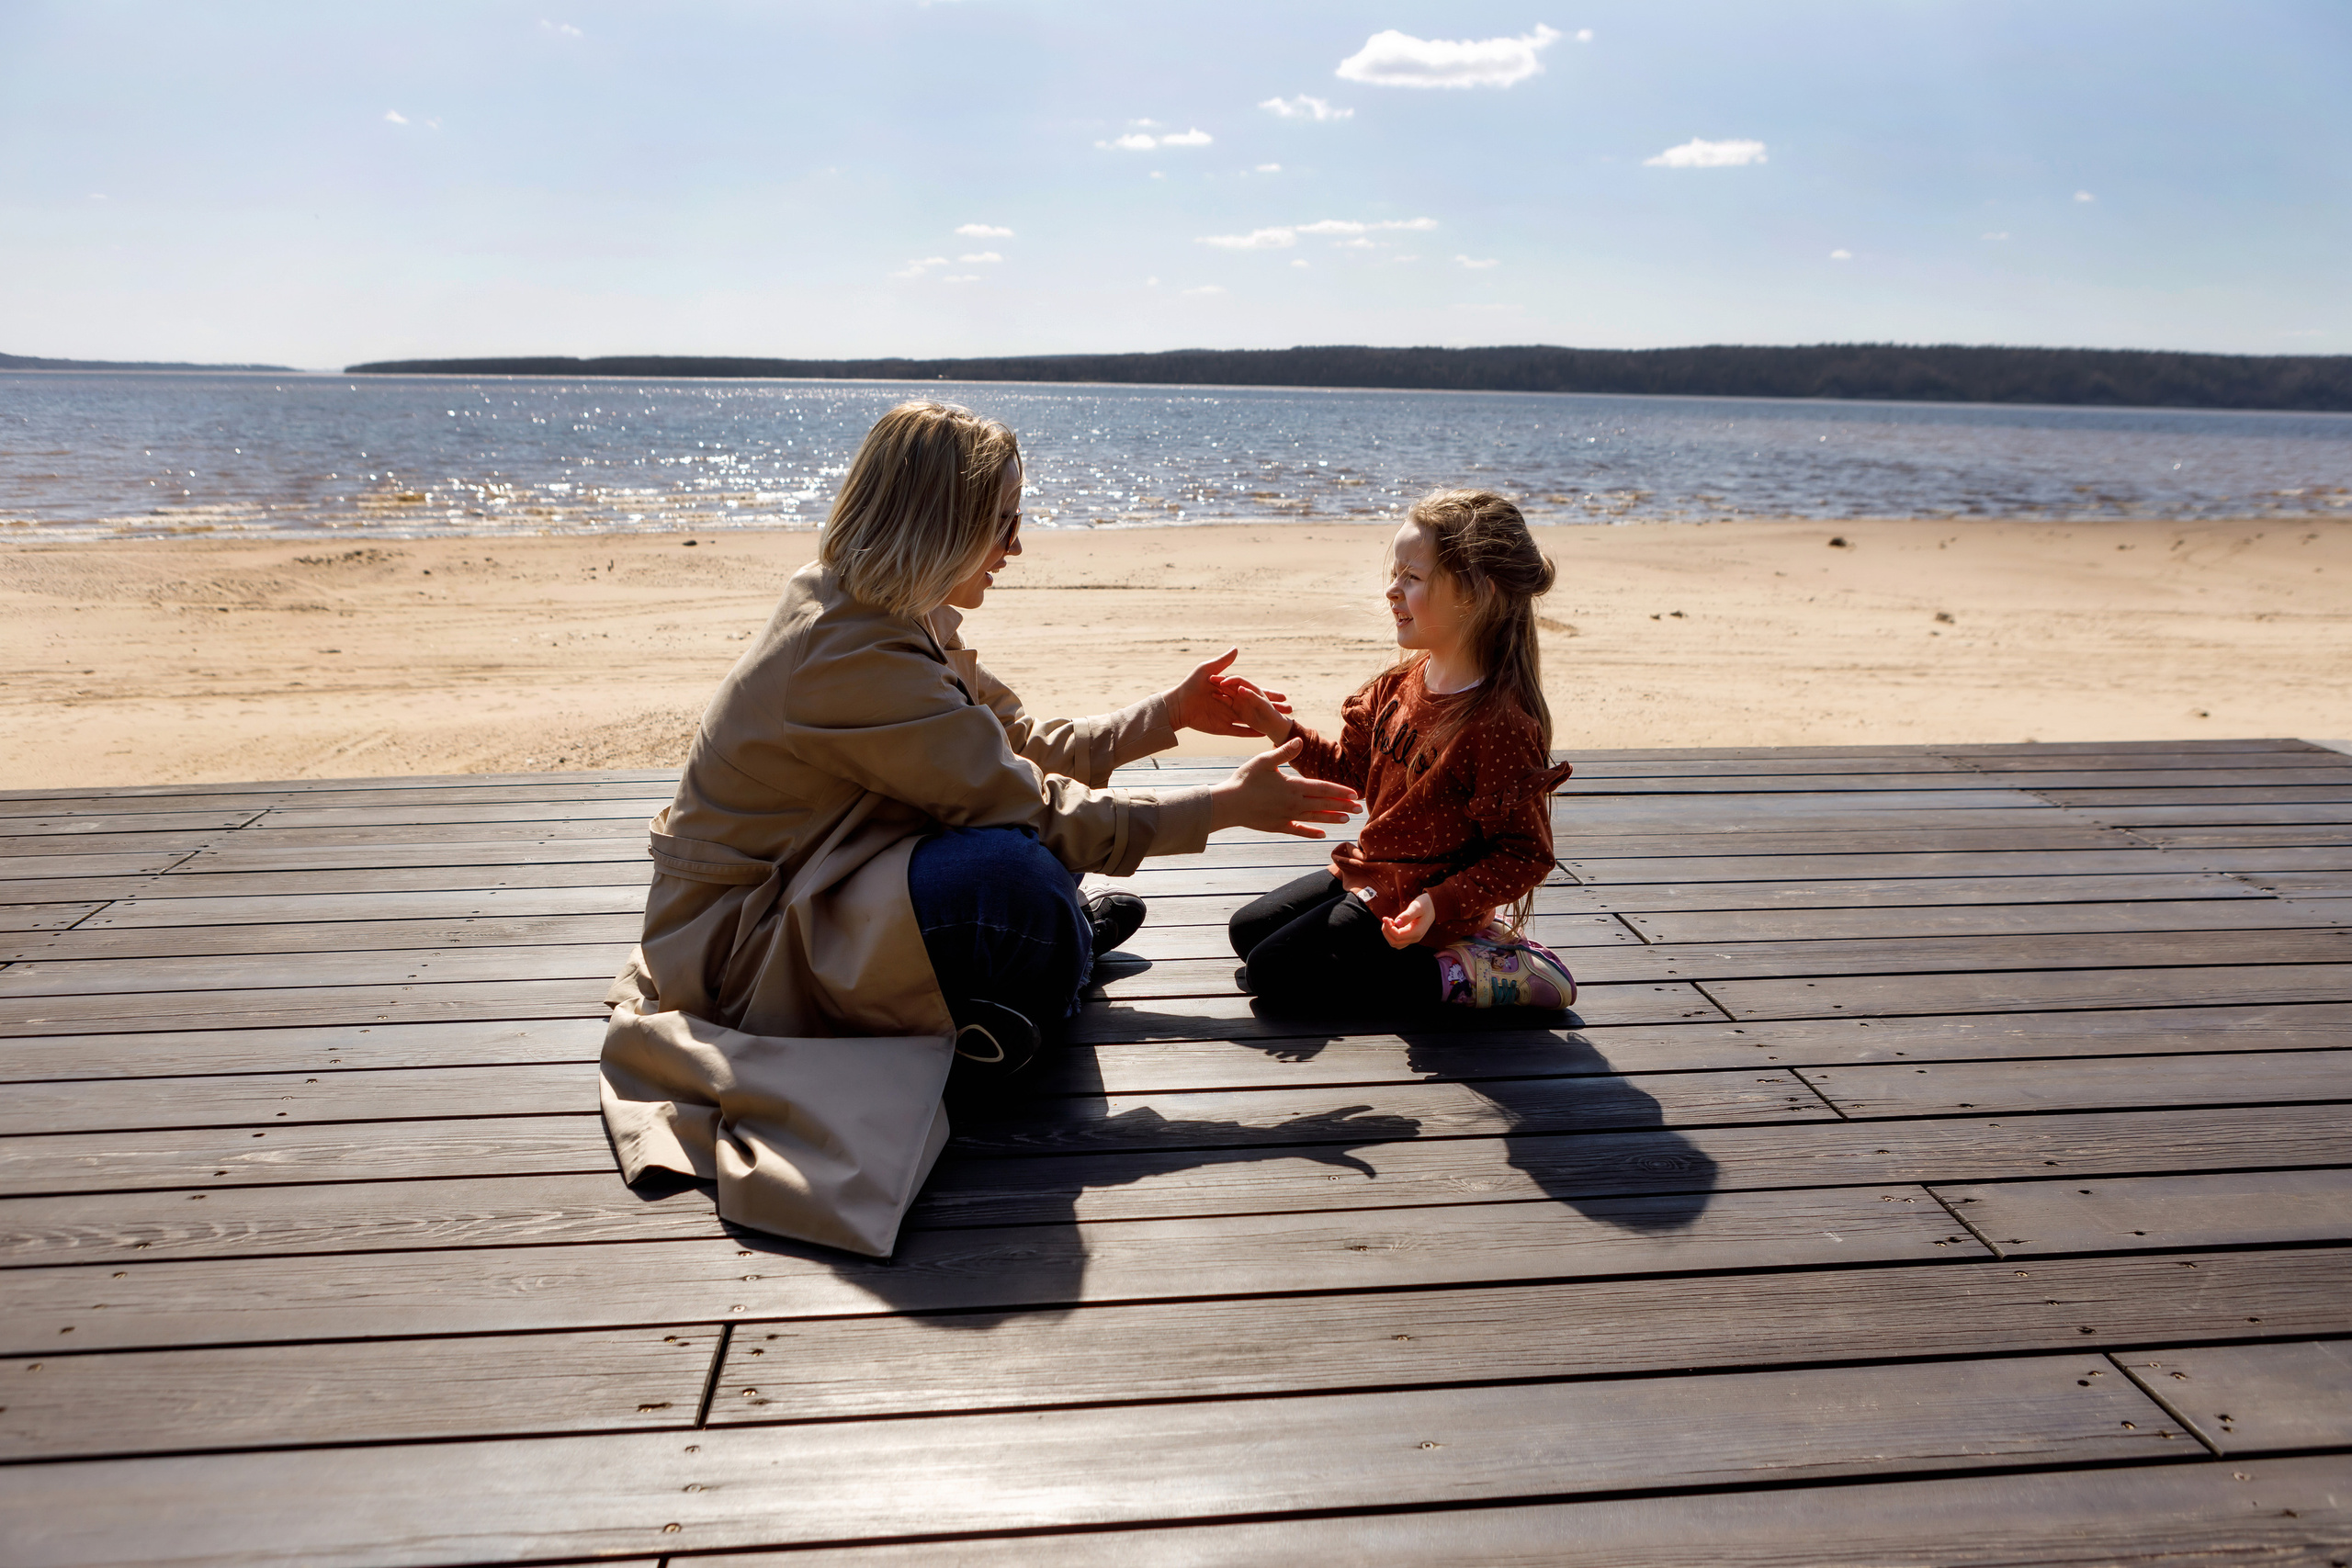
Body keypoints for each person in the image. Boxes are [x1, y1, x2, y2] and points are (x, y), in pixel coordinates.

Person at [597, 400, 1359, 1256]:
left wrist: (1169, 713)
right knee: (1017, 878)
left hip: (830, 879)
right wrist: (1219, 809)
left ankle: (1050, 958)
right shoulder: (847, 653)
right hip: (744, 948)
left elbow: (1021, 748)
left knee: (1023, 864)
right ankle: (1054, 958)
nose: (1016, 547)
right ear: (942, 522)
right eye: (1004, 523)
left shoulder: (893, 611)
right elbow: (1028, 806)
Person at [1226, 487, 1578, 1015]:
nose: (1393, 590)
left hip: (1426, 903)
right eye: (1395, 573)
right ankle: (1440, 951)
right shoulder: (1400, 685)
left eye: (1412, 577)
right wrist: (1280, 729)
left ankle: (1475, 970)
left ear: (1473, 593)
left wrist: (1438, 904)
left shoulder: (1499, 724)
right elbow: (1351, 773)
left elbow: (1525, 854)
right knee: (1246, 934)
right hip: (1375, 871)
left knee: (1272, 974)